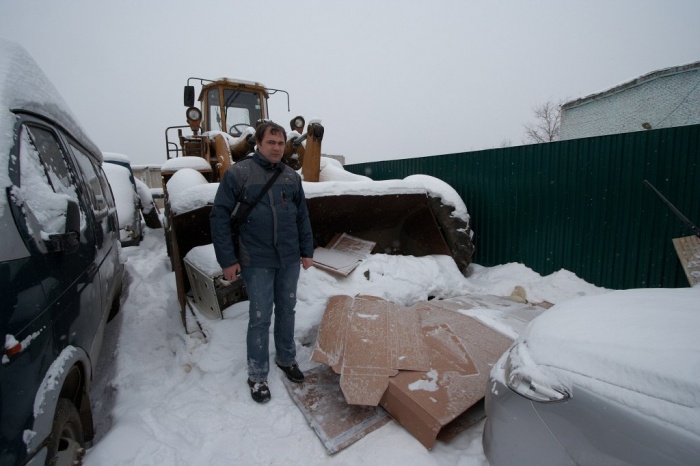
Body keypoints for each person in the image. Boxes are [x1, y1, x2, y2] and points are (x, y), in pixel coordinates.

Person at [210, 120, 314, 403]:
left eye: (280, 143)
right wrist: (228, 259)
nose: (277, 148)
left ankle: (286, 358)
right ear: (258, 143)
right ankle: (257, 375)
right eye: (271, 142)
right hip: (256, 259)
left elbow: (301, 216)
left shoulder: (292, 177)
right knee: (259, 317)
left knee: (287, 310)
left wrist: (307, 250)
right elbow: (219, 215)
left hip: (289, 258)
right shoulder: (239, 173)